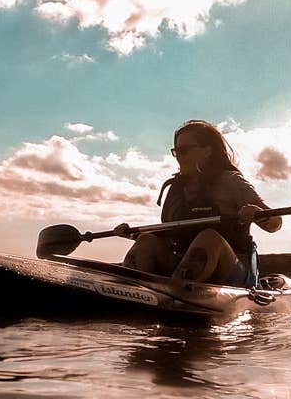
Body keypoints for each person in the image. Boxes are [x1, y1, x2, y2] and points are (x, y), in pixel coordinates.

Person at [114, 120, 282, 288]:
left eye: (184, 150)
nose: (179, 156)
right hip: (185, 267)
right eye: (176, 151)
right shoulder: (175, 189)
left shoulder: (231, 182)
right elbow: (169, 235)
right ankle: (133, 291)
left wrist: (257, 213)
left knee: (209, 238)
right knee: (146, 240)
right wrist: (131, 234)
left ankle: (175, 292)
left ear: (207, 151)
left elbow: (275, 224)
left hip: (232, 271)